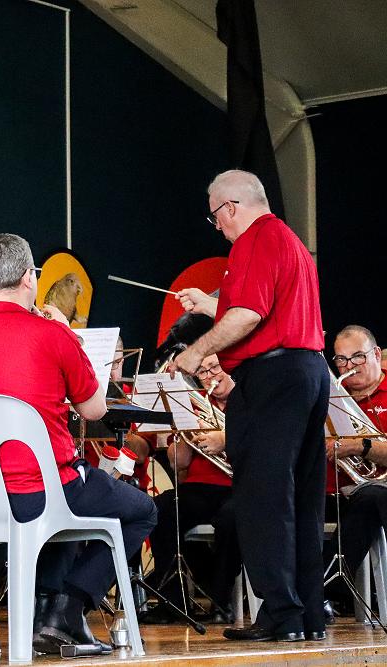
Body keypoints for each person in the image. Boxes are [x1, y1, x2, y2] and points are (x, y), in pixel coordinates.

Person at [0, 233, 157, 651]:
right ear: (29, 278)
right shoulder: (52, 334)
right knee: (141, 511)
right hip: (44, 492)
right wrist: (66, 333)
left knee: (75, 494)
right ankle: (67, 610)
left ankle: (50, 614)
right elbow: (94, 409)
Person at [170, 170, 327, 642]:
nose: (217, 226)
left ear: (230, 207)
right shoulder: (288, 241)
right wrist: (210, 306)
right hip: (307, 371)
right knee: (301, 500)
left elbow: (248, 314)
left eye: (215, 216)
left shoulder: (253, 240)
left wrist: (195, 352)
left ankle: (279, 613)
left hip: (273, 378)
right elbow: (265, 309)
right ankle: (306, 616)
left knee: (262, 498)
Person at [144, 353, 237, 623]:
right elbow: (178, 463)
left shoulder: (248, 401)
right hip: (199, 488)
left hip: (239, 486)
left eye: (215, 368)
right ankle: (173, 601)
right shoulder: (196, 406)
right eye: (203, 372)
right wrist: (185, 430)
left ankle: (221, 602)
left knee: (231, 519)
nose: (210, 377)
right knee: (162, 508)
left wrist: (224, 438)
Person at [327, 326, 387, 579]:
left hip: (374, 492)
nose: (349, 366)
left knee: (371, 498)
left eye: (358, 357)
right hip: (330, 493)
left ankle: (327, 588)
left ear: (376, 354)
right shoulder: (328, 397)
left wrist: (359, 446)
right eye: (341, 359)